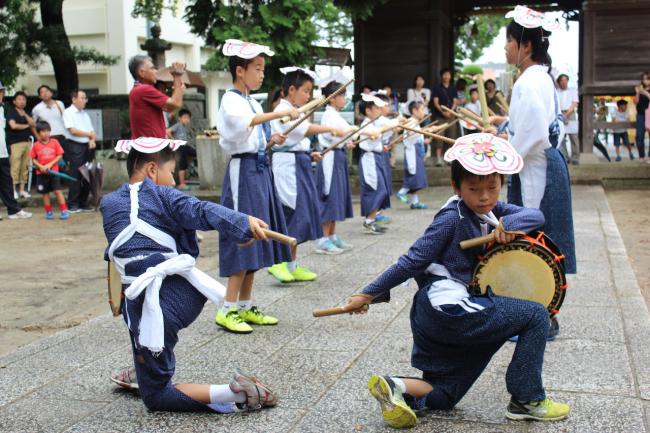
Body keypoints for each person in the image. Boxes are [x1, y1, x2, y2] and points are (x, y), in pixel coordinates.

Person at [341, 135, 570, 428]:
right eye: (474, 189)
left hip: (439, 316)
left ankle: (395, 387)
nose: (484, 196)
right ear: (456, 187)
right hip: (446, 307)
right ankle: (527, 399)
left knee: (446, 394)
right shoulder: (451, 218)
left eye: (492, 187)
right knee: (536, 315)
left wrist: (508, 224)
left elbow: (535, 215)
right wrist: (368, 294)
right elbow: (412, 261)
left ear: (502, 183)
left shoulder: (492, 212)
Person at [100, 136, 278, 413]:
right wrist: (242, 223)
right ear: (151, 170)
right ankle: (144, 366)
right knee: (148, 342)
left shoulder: (109, 204)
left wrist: (239, 225)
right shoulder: (163, 195)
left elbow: (118, 251)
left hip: (156, 302)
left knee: (157, 397)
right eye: (170, 173)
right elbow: (201, 210)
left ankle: (237, 393)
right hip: (183, 294)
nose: (172, 181)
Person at [215, 39, 299, 333]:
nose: (262, 74)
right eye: (258, 68)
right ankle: (226, 309)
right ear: (241, 70)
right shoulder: (231, 100)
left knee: (258, 234)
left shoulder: (250, 99)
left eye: (263, 69)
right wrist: (279, 113)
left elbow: (254, 134)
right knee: (242, 234)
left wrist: (271, 140)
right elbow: (244, 125)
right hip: (243, 174)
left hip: (259, 169)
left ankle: (245, 305)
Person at [490, 6, 576, 277]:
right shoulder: (542, 77)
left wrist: (505, 149)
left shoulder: (528, 82)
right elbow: (547, 125)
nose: (505, 48)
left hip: (535, 170)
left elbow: (534, 132)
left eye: (509, 41)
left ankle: (540, 310)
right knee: (545, 237)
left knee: (536, 237)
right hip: (546, 163)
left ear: (525, 46)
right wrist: (506, 127)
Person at [267, 67, 346, 280]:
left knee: (302, 214)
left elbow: (298, 139)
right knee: (290, 213)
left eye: (310, 91)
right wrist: (328, 129)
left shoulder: (295, 110)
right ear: (291, 90)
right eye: (305, 91)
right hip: (287, 166)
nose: (308, 96)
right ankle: (278, 264)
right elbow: (301, 131)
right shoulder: (282, 109)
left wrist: (310, 154)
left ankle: (292, 265)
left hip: (299, 162)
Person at [316, 74, 356, 254]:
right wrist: (350, 132)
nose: (344, 99)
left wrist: (347, 138)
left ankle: (332, 235)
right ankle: (323, 239)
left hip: (338, 157)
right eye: (342, 95)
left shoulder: (335, 115)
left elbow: (344, 134)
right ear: (332, 99)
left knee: (337, 196)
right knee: (329, 196)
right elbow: (340, 132)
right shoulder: (329, 115)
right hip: (330, 159)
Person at [128, 55, 186, 139]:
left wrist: (178, 91)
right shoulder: (144, 89)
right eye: (152, 68)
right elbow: (175, 104)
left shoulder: (138, 89)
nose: (156, 71)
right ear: (142, 72)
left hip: (148, 145)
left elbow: (169, 108)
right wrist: (177, 75)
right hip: (151, 147)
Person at [358, 94, 392, 234]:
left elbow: (385, 128)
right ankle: (369, 220)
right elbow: (373, 135)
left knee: (380, 189)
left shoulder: (373, 123)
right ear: (368, 111)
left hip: (375, 158)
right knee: (376, 189)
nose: (379, 110)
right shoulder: (366, 124)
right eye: (376, 108)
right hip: (369, 160)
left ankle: (371, 220)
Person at [0, 82, 32, 220]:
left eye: (1, 92)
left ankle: (13, 210)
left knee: (6, 181)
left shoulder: (1, 109)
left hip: (2, 151)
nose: (1, 95)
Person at [62, 89, 95, 212]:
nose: (85, 100)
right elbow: (73, 130)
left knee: (87, 175)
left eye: (85, 98)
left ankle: (83, 201)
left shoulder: (85, 114)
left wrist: (92, 139)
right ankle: (72, 203)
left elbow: (92, 132)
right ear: (74, 99)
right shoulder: (68, 112)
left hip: (88, 146)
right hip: (75, 146)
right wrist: (89, 135)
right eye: (82, 98)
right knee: (76, 175)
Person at [395, 101, 430, 209]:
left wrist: (424, 140)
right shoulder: (411, 121)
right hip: (412, 153)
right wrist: (423, 131)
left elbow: (415, 137)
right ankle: (401, 192)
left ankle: (415, 202)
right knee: (413, 176)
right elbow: (409, 134)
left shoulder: (415, 122)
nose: (424, 112)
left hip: (417, 151)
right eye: (422, 109)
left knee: (417, 176)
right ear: (414, 111)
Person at [30, 121, 68, 219]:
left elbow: (59, 155)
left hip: (54, 172)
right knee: (45, 193)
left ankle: (64, 210)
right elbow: (33, 158)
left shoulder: (55, 142)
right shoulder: (36, 145)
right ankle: (48, 212)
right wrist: (40, 166)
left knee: (57, 191)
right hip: (41, 173)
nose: (46, 133)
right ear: (38, 133)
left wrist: (50, 164)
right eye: (43, 131)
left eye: (47, 131)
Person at [6, 91, 35, 199]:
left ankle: (22, 190)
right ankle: (13, 190)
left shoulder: (27, 112)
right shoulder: (11, 112)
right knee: (15, 167)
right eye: (19, 99)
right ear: (14, 101)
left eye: (24, 99)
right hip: (15, 143)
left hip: (27, 142)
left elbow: (34, 124)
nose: (22, 101)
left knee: (25, 167)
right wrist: (27, 125)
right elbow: (13, 126)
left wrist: (26, 116)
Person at [432, 68, 459, 166]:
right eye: (445, 74)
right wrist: (443, 112)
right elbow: (436, 103)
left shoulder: (453, 88)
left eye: (448, 74)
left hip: (451, 115)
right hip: (440, 116)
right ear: (441, 76)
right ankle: (439, 159)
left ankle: (449, 158)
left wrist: (450, 111)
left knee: (451, 136)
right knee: (439, 136)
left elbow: (455, 102)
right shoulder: (437, 88)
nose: (447, 76)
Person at [167, 108, 197, 190]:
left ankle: (187, 162)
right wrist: (173, 139)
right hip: (180, 146)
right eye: (184, 117)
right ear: (180, 118)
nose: (186, 120)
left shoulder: (184, 127)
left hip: (185, 146)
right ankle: (182, 183)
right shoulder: (178, 125)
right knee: (182, 165)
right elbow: (168, 131)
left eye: (188, 118)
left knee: (195, 153)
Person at [32, 85, 67, 152]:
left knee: (65, 160)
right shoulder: (37, 109)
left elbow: (65, 119)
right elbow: (32, 124)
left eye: (47, 91)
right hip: (48, 138)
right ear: (39, 96)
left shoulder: (59, 104)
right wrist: (37, 136)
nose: (45, 93)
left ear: (51, 93)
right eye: (42, 92)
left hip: (62, 136)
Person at [556, 74, 580, 165]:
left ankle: (575, 157)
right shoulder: (556, 92)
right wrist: (562, 115)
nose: (564, 82)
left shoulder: (572, 91)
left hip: (571, 113)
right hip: (559, 113)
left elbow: (574, 103)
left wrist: (566, 114)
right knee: (561, 137)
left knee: (573, 136)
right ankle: (565, 157)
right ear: (559, 82)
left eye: (565, 80)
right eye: (562, 80)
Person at [634, 71, 650, 163]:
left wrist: (644, 92)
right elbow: (636, 102)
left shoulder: (644, 90)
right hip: (640, 114)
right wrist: (638, 93)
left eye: (647, 79)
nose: (645, 81)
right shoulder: (641, 89)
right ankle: (641, 156)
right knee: (639, 136)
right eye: (644, 79)